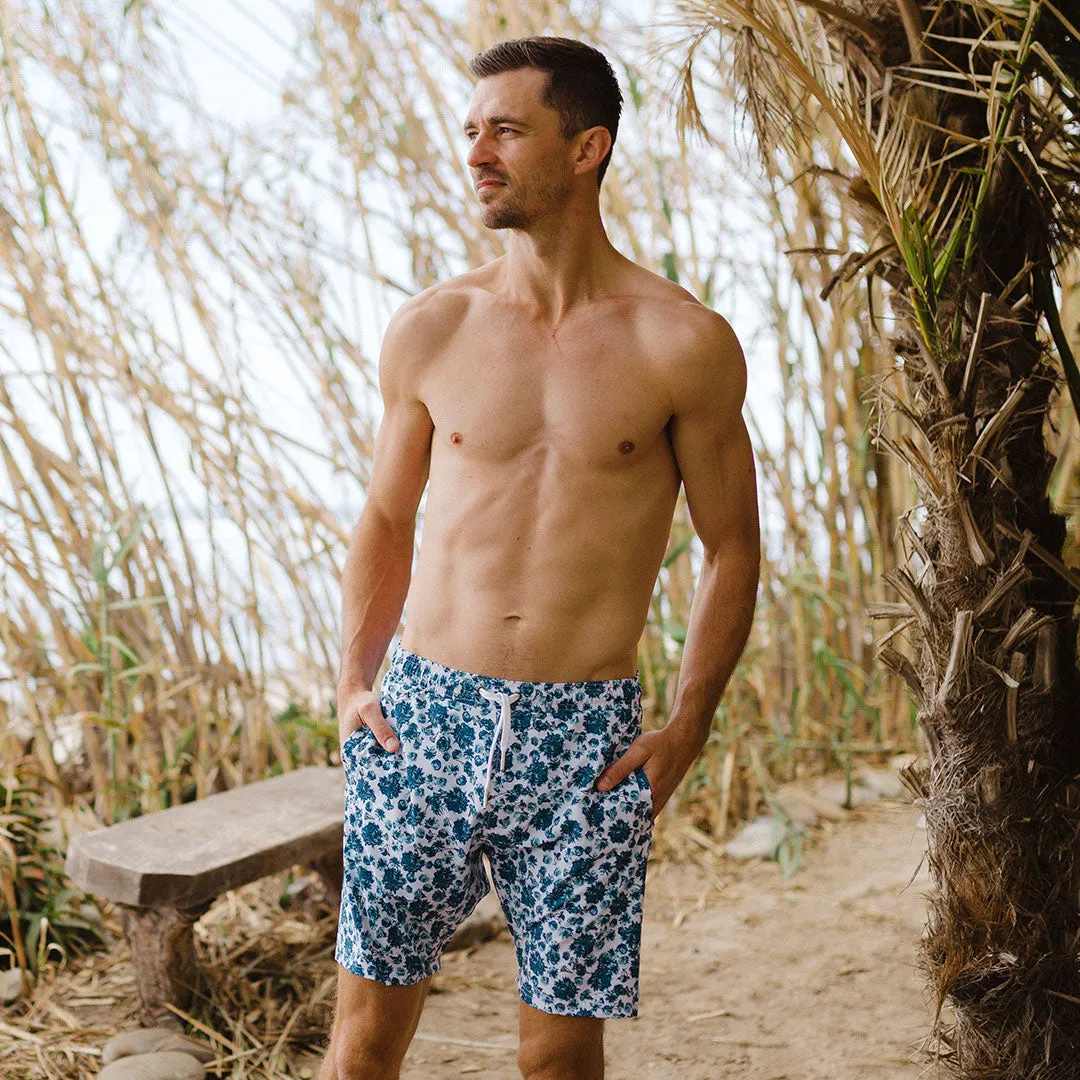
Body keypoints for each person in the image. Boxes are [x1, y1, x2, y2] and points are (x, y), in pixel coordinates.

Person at [318, 34, 760, 1080]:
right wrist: (349, 683)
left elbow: (732, 548)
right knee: (362, 1048)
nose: (477, 153)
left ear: (586, 148)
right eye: (470, 132)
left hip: (585, 740)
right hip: (423, 720)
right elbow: (386, 519)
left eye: (506, 131)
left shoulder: (682, 342)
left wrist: (688, 725)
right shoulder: (434, 327)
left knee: (558, 1064)